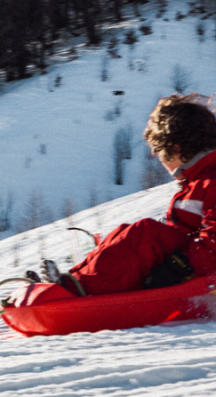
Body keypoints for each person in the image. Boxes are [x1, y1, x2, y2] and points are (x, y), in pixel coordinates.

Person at [40, 93, 216, 296]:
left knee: (145, 234)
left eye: (160, 154)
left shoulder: (210, 180)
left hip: (197, 274)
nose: (161, 162)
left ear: (176, 149)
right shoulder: (197, 181)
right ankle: (71, 281)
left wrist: (178, 266)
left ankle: (77, 289)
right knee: (126, 233)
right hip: (186, 266)